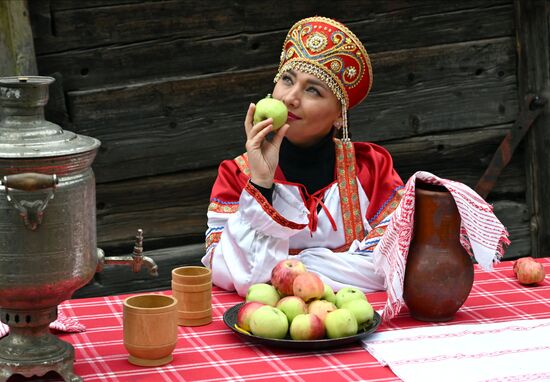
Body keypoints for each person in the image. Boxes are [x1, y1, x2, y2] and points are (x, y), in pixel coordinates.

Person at [202, 16, 404, 296]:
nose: (289, 98)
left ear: (338, 118)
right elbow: (235, 275)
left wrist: (295, 265)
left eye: (312, 90)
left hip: (354, 322)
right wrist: (261, 182)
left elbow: (389, 266)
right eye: (287, 80)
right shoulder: (237, 175)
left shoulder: (370, 168)